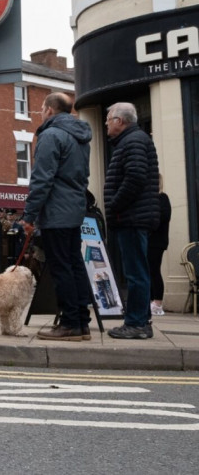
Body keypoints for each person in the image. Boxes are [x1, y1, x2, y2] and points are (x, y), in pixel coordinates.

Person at [18, 93, 93, 341]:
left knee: (61, 268)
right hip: (74, 209)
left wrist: (29, 215)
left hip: (56, 212)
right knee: (74, 264)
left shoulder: (51, 135)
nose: (40, 111)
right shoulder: (81, 137)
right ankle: (82, 322)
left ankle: (70, 323)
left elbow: (42, 178)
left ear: (50, 110)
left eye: (41, 107)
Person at [103, 102, 160, 339]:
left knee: (136, 273)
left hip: (132, 217)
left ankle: (136, 323)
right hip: (132, 216)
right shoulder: (132, 140)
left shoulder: (133, 141)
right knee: (138, 271)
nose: (106, 123)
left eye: (108, 119)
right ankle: (140, 321)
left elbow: (135, 177)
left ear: (119, 120)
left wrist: (115, 205)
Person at [150, 175, 172, 316]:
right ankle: (151, 300)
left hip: (157, 241)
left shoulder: (162, 198)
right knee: (148, 270)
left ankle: (157, 303)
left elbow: (163, 217)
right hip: (150, 240)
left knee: (154, 270)